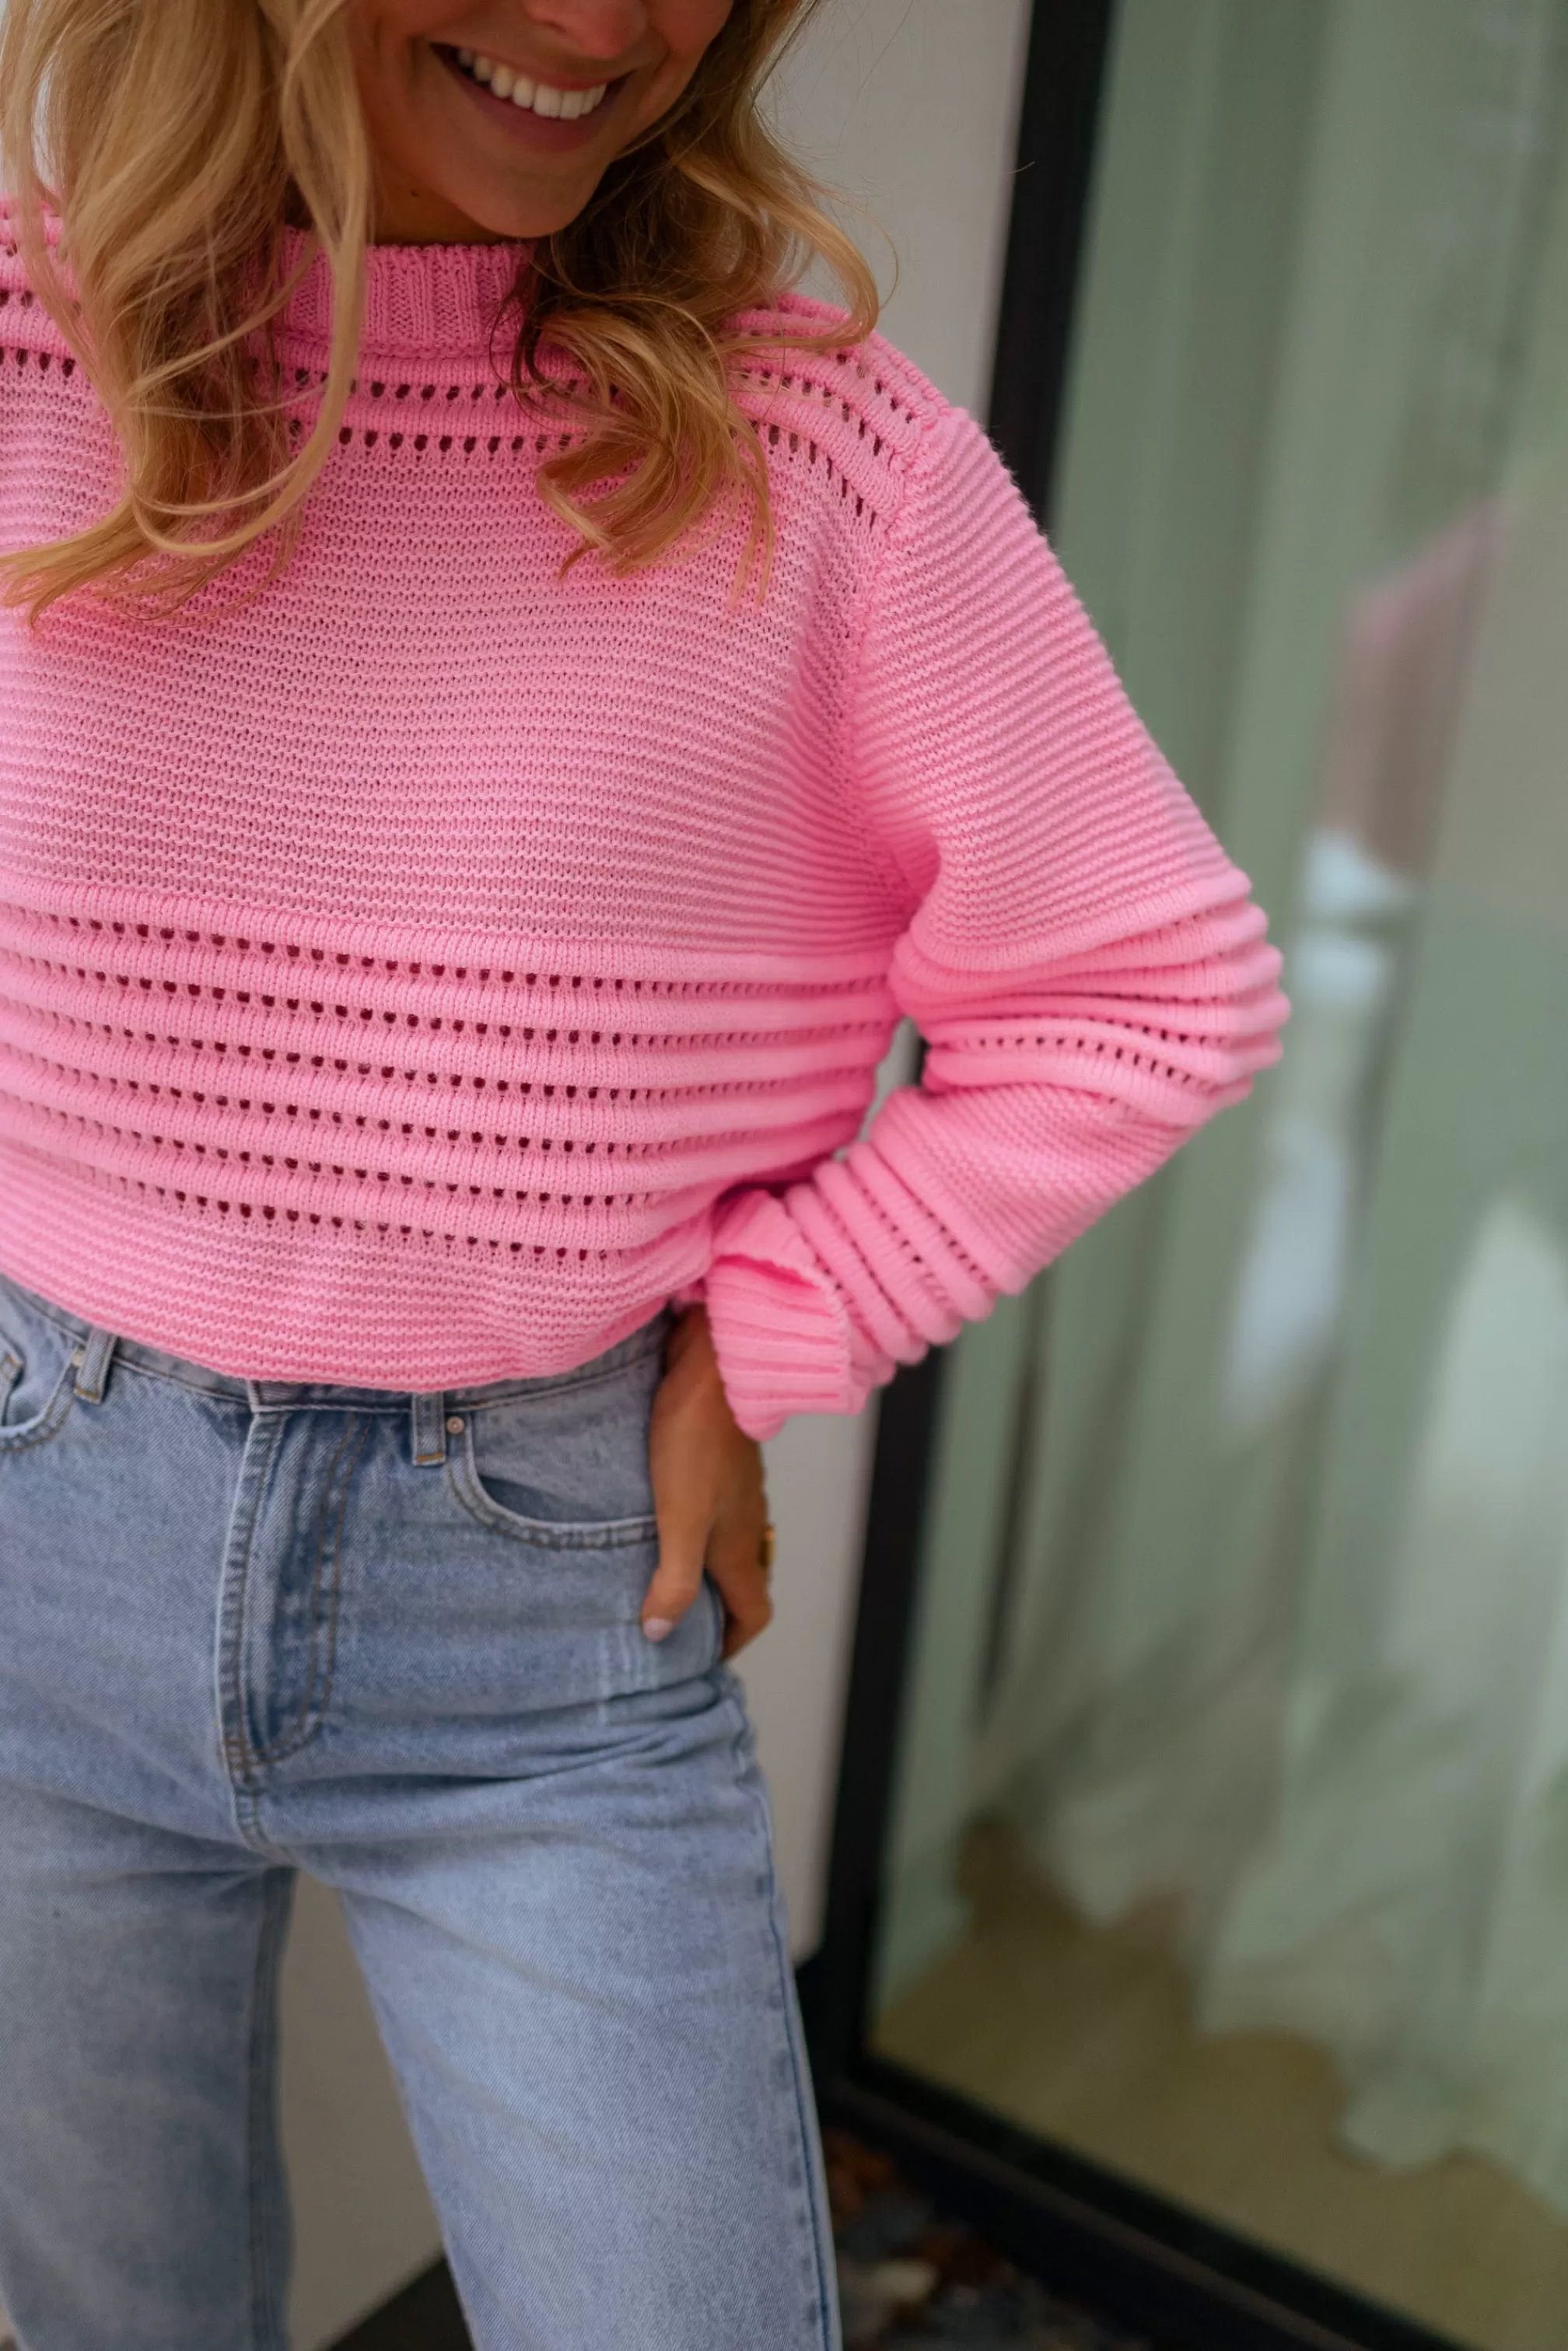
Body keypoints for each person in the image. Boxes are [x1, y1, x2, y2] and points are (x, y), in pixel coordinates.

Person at [0, 4, 1288, 2346]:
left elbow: (1147, 989)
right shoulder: (23, 351)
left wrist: (782, 1321)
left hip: (536, 1614)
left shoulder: (824, 463)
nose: (607, 22)